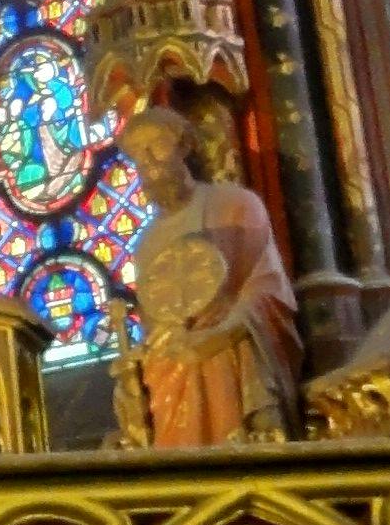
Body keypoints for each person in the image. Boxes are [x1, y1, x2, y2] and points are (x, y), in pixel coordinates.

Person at [116, 103, 298, 448]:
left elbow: (266, 287)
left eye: (156, 145)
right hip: (173, 366)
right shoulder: (148, 242)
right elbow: (158, 321)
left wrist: (225, 329)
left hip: (232, 345)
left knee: (227, 360)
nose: (147, 160)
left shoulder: (235, 205)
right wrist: (143, 353)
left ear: (184, 146)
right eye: (137, 153)